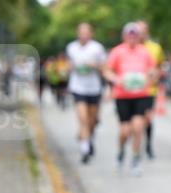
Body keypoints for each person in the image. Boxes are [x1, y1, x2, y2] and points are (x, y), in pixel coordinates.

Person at [103, 22, 157, 176]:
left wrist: (151, 76)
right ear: (124, 36)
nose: (132, 38)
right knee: (125, 131)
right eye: (129, 35)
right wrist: (115, 79)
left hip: (141, 95)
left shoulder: (145, 52)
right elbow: (107, 70)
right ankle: (120, 153)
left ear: (139, 37)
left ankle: (135, 159)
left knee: (138, 127)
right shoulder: (117, 51)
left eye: (135, 35)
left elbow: (153, 69)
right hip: (123, 96)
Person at [66, 23, 107, 164]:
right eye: (81, 32)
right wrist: (69, 67)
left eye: (86, 32)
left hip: (94, 88)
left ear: (91, 33)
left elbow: (105, 67)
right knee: (83, 119)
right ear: (77, 33)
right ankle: (85, 150)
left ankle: (89, 138)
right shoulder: (71, 48)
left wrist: (94, 65)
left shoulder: (97, 48)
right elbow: (68, 66)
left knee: (92, 120)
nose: (83, 35)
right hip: (78, 87)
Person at [136, 20, 166, 159]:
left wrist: (157, 74)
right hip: (132, 91)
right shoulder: (129, 47)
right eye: (138, 31)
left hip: (149, 90)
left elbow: (160, 65)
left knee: (147, 118)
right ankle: (136, 145)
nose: (140, 34)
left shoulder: (155, 48)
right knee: (135, 121)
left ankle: (148, 144)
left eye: (143, 31)